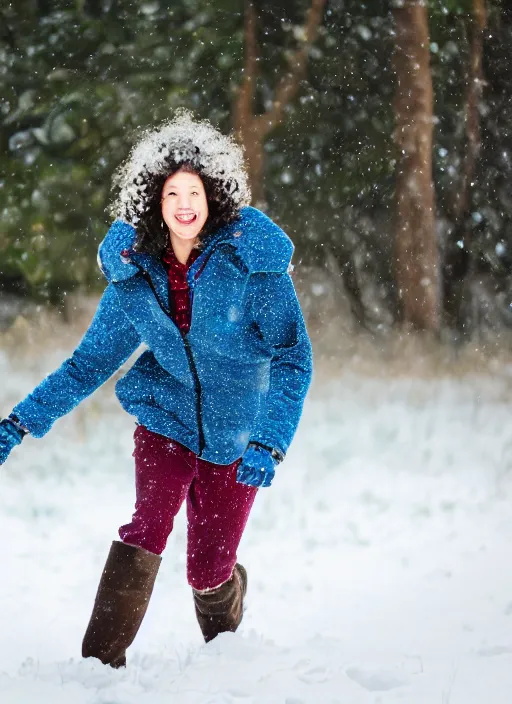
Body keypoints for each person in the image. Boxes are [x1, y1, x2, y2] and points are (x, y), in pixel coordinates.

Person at [0, 110, 313, 667]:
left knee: (207, 569)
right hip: (164, 416)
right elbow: (86, 366)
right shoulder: (135, 274)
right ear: (154, 201)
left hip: (236, 432)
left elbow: (293, 358)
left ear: (214, 197)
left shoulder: (251, 267)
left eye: (194, 191)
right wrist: (19, 423)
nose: (185, 204)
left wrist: (269, 440)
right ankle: (100, 664)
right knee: (146, 526)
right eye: (172, 193)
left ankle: (228, 655)